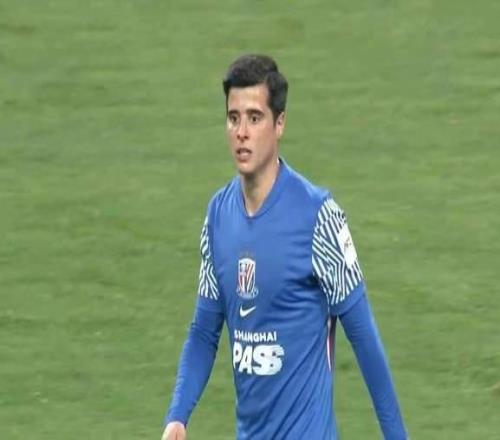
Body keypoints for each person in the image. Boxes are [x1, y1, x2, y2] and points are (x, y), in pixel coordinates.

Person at [162, 54, 408, 440]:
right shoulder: (217, 216)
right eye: (233, 118)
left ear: (280, 124)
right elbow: (204, 332)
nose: (242, 132)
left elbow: (364, 337)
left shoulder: (318, 217)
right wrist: (178, 415)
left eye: (255, 118)